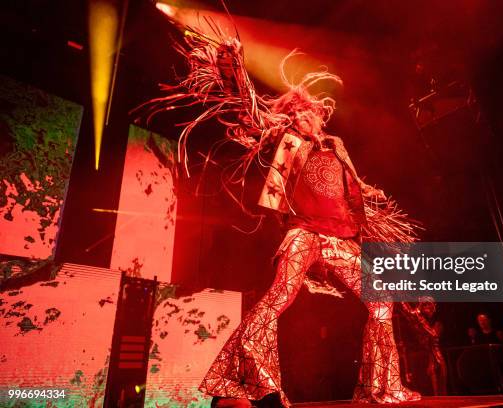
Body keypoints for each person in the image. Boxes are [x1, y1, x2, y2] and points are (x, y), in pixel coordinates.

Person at [144, 24, 421, 407]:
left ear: (319, 116)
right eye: (296, 114)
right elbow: (248, 113)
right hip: (304, 233)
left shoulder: (337, 145)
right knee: (278, 299)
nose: (304, 118)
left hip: (341, 240)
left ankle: (380, 387)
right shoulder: (285, 141)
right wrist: (233, 70)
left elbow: (351, 183)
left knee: (381, 302)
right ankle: (240, 384)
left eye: (308, 112)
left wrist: (372, 195)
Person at [399, 297, 447, 396]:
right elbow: (406, 310)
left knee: (441, 390)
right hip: (425, 361)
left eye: (429, 304)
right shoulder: (418, 318)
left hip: (437, 359)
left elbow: (434, 337)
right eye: (424, 304)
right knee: (430, 392)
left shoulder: (436, 322)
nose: (427, 307)